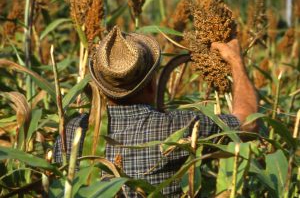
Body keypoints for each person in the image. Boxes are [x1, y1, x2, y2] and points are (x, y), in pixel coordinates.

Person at [53, 26, 257, 197]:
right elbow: (249, 123)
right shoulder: (176, 129)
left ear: (98, 87)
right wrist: (236, 62)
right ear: (152, 84)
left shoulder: (70, 133)